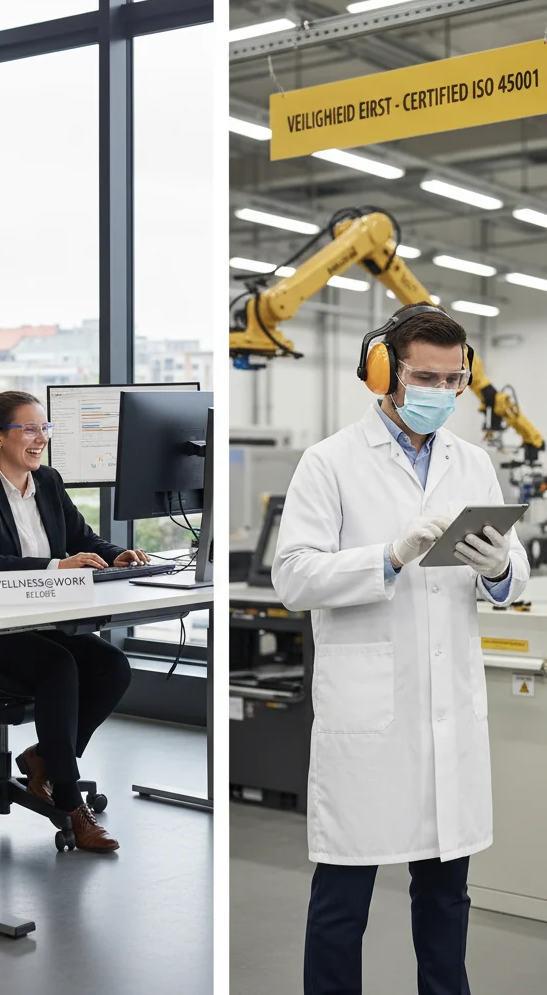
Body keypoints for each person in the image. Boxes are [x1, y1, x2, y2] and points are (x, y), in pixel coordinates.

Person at [271, 304, 529, 994]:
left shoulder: (471, 463)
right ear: (382, 372)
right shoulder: (329, 463)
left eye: (454, 380)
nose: (440, 394)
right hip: (370, 725)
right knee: (340, 908)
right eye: (425, 377)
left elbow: (515, 578)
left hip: (448, 718)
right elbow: (292, 575)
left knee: (446, 903)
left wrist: (497, 566)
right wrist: (387, 556)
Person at [0, 390, 150, 852]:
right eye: (29, 429)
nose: (40, 438)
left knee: (113, 667)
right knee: (58, 667)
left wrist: (118, 556)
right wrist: (56, 567)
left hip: (40, 620)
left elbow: (81, 537)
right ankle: (70, 804)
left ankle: (44, 759)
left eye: (44, 428)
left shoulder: (47, 481)